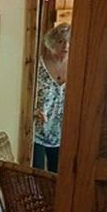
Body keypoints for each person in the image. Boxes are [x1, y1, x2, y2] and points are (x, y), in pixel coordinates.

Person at [33, 22, 70, 172]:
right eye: (61, 41)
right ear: (52, 43)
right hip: (38, 131)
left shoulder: (77, 67)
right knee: (37, 176)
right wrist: (34, 110)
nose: (65, 45)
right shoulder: (38, 65)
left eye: (69, 41)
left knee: (58, 178)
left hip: (63, 134)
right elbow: (26, 94)